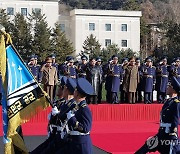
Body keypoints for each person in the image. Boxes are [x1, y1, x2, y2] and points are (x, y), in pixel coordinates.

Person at [135, 76, 180, 154]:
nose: (167, 88)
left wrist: (173, 131)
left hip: (169, 135)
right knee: (144, 148)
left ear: (173, 90)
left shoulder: (176, 103)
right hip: (161, 134)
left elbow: (176, 118)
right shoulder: (168, 101)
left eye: (169, 86)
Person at [65, 78, 94, 154]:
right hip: (74, 142)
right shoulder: (77, 106)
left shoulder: (85, 109)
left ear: (77, 93)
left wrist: (72, 119)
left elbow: (86, 128)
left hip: (81, 145)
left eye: (75, 91)